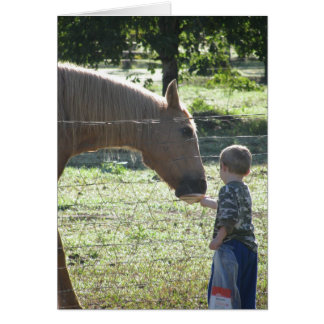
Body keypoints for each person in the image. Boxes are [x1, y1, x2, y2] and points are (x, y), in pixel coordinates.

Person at [200, 145, 258, 309]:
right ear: (247, 172)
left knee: (223, 299)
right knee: (246, 295)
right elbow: (232, 208)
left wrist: (218, 239)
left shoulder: (226, 190)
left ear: (223, 167)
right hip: (249, 250)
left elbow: (229, 217)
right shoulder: (244, 189)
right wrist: (208, 203)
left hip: (230, 250)